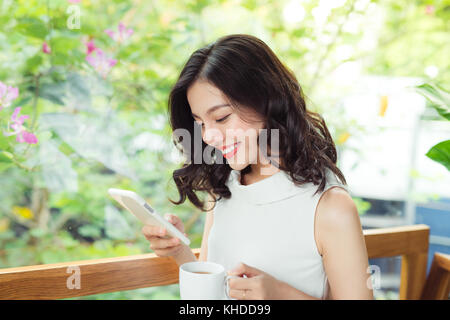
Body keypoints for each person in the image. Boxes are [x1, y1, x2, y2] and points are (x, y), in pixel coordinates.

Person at [142, 34, 374, 300]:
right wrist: (178, 251)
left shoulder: (330, 206)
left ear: (266, 100)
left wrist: (281, 294)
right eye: (200, 123)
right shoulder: (224, 186)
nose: (208, 136)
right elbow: (213, 294)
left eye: (221, 117)